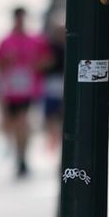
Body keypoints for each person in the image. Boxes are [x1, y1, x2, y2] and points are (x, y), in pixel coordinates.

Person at [0, 7, 47, 179]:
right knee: (12, 125)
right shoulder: (5, 41)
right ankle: (18, 154)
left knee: (23, 123)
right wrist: (7, 64)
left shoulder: (35, 40)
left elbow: (47, 60)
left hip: (28, 90)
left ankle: (23, 158)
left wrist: (34, 66)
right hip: (10, 90)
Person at [41, 21, 67, 155]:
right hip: (52, 84)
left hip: (64, 84)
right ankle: (53, 139)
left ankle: (58, 139)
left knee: (62, 115)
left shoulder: (70, 46)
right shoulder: (49, 46)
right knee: (50, 115)